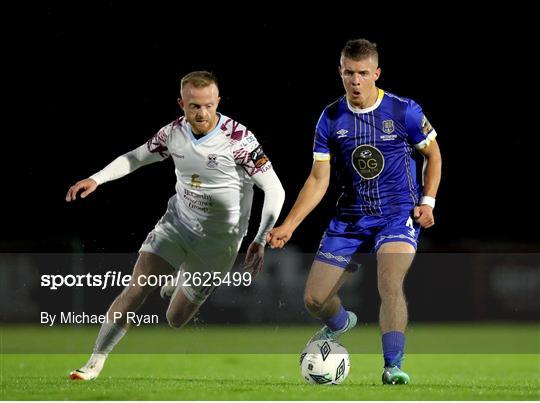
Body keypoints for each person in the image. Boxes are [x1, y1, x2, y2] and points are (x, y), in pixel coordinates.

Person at [65, 71, 285, 380]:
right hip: (177, 224)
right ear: (182, 104)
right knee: (137, 288)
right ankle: (95, 361)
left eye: (209, 105)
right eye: (194, 106)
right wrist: (96, 178)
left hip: (219, 243)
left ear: (218, 101)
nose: (202, 113)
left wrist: (261, 238)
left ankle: (181, 274)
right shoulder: (173, 133)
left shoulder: (240, 139)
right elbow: (135, 158)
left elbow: (275, 190)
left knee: (175, 318)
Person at [268, 39, 442, 385]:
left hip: (396, 216)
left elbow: (433, 155)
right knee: (315, 300)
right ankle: (341, 322)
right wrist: (289, 224)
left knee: (389, 280)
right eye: (349, 72)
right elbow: (318, 180)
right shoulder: (330, 118)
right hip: (349, 220)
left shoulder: (403, 111)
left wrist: (428, 200)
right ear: (340, 73)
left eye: (363, 73)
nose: (356, 80)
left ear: (376, 73)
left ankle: (392, 366)